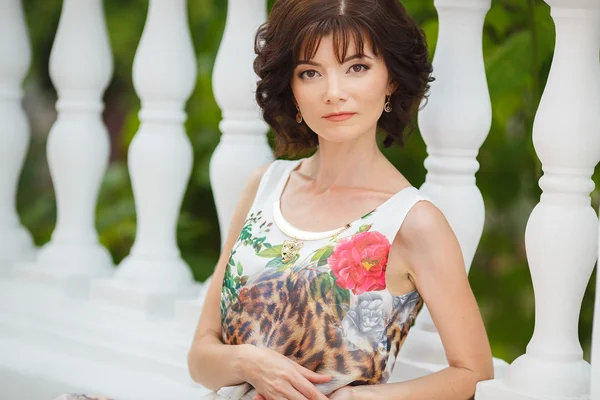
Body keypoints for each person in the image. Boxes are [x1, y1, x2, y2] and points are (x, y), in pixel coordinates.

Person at [188, 0, 494, 399]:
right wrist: (250, 363)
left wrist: (352, 398)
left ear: (392, 80)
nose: (334, 93)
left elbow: (474, 374)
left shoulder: (413, 222)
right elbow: (200, 358)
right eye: (310, 72)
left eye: (357, 67)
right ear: (292, 89)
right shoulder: (263, 187)